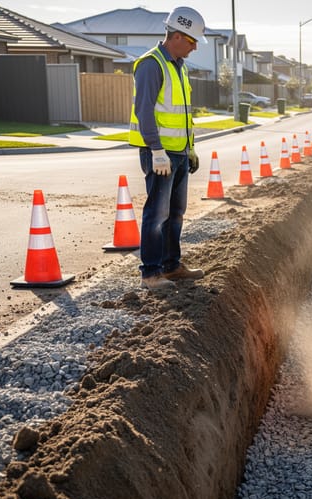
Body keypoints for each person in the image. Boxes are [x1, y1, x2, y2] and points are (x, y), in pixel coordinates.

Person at [129, 6, 206, 290]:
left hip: (179, 153)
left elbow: (182, 114)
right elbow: (144, 111)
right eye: (192, 41)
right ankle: (150, 273)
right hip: (159, 153)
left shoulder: (179, 66)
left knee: (176, 213)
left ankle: (171, 266)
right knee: (156, 215)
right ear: (177, 36)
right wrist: (156, 150)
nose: (195, 47)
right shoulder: (151, 64)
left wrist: (190, 149)